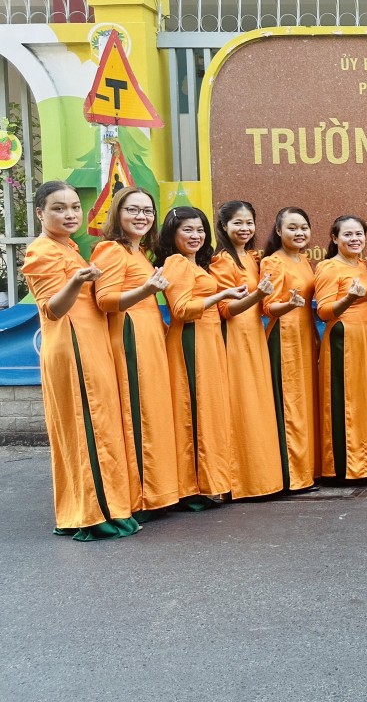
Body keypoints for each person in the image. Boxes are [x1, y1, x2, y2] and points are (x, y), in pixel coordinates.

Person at [25, 181, 139, 540]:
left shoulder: (68, 247)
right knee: (89, 428)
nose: (70, 214)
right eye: (58, 208)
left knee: (98, 425)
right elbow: (52, 309)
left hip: (90, 345)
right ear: (40, 213)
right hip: (72, 346)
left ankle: (88, 509)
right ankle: (95, 515)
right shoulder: (41, 252)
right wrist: (76, 281)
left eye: (74, 207)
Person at [91, 188, 180, 515]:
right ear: (117, 213)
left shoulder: (138, 252)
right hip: (130, 336)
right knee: (137, 414)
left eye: (147, 211)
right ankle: (139, 497)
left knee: (152, 413)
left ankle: (156, 492)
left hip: (149, 336)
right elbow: (105, 301)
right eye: (133, 210)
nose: (142, 216)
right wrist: (146, 290)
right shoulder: (111, 250)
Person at [158, 206, 243, 505]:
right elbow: (181, 309)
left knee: (208, 411)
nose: (196, 236)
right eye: (187, 230)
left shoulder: (197, 265)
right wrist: (222, 295)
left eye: (200, 230)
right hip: (191, 339)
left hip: (208, 340)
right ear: (173, 234)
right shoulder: (176, 263)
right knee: (193, 411)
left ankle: (208, 482)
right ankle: (193, 487)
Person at [211, 200, 285, 499]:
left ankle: (264, 478)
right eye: (237, 223)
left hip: (254, 335)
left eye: (249, 222)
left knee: (259, 405)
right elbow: (226, 309)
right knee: (243, 405)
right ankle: (242, 481)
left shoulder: (253, 258)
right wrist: (257, 296)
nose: (245, 228)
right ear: (223, 226)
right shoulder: (222, 261)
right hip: (235, 338)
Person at [314, 215, 367, 481]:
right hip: (344, 339)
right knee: (345, 400)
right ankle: (343, 467)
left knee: (363, 399)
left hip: (366, 337)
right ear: (334, 238)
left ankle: (362, 462)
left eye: (358, 234)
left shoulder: (360, 264)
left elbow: (365, 304)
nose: (354, 239)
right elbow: (324, 311)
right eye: (348, 234)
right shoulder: (329, 267)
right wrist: (350, 297)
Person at [260, 207, 319, 491]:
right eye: (292, 228)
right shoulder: (273, 262)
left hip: (305, 336)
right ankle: (291, 476)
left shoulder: (304, 261)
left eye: (303, 227)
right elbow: (268, 307)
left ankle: (307, 468)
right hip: (284, 337)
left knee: (305, 403)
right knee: (289, 404)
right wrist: (289, 304)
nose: (299, 233)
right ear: (278, 230)